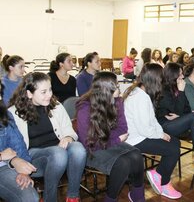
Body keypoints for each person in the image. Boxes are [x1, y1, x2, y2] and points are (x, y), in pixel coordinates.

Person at [8, 72, 86, 202]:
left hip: (58, 152)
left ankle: (73, 196)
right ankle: (50, 199)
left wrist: (68, 138)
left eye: (50, 89)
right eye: (43, 92)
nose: (49, 95)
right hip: (32, 157)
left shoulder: (56, 106)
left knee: (78, 148)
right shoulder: (13, 113)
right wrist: (17, 163)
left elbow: (70, 131)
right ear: (29, 94)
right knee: (58, 153)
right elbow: (9, 146)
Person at [76, 72, 145, 202]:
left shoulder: (117, 101)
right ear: (106, 90)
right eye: (116, 86)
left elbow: (123, 128)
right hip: (91, 150)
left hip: (107, 142)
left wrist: (107, 137)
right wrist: (116, 139)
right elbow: (90, 142)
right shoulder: (85, 108)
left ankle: (138, 197)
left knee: (136, 155)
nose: (119, 89)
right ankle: (110, 199)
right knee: (122, 163)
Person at [123, 63, 182, 199]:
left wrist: (162, 133)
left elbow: (152, 120)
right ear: (154, 80)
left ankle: (160, 175)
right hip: (134, 140)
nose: (162, 82)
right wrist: (160, 135)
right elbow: (144, 129)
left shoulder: (141, 92)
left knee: (175, 142)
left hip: (141, 135)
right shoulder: (139, 97)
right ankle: (163, 180)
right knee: (173, 149)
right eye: (161, 79)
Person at [157, 62, 194, 166]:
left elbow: (187, 109)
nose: (183, 76)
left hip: (178, 122)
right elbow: (177, 110)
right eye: (180, 74)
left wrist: (180, 115)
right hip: (165, 126)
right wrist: (181, 92)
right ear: (173, 75)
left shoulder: (176, 87)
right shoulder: (163, 91)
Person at [0, 80, 39, 202]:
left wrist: (23, 170)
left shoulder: (4, 115)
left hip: (3, 167)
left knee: (30, 197)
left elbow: (18, 144)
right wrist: (1, 156)